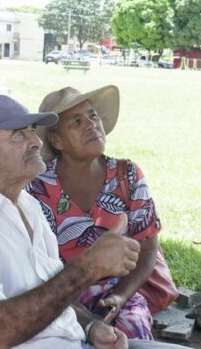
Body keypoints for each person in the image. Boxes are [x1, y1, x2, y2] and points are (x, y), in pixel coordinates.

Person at [0, 94, 188, 348]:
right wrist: (88, 267)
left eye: (32, 131)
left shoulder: (29, 207)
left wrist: (92, 326)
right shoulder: (34, 195)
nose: (36, 142)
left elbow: (53, 295)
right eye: (19, 134)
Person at [26, 85, 169, 341]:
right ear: (56, 140)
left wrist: (120, 297)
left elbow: (148, 250)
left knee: (129, 332)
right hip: (57, 293)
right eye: (76, 121)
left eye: (93, 116)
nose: (91, 125)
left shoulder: (127, 175)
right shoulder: (36, 186)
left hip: (118, 291)